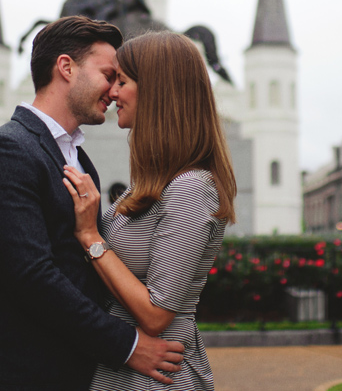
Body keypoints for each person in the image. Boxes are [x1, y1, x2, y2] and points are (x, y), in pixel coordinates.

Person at [0, 16, 185, 391]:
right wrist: (128, 346)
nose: (114, 90)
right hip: (17, 376)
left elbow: (63, 256)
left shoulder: (80, 161)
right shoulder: (6, 150)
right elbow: (33, 278)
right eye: (108, 74)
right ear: (66, 67)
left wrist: (0, 257)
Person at [62, 31, 237, 390]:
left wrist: (92, 237)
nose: (112, 93)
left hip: (158, 376)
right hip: (124, 369)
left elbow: (156, 313)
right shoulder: (151, 184)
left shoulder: (191, 188)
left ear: (157, 91)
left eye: (122, 81)